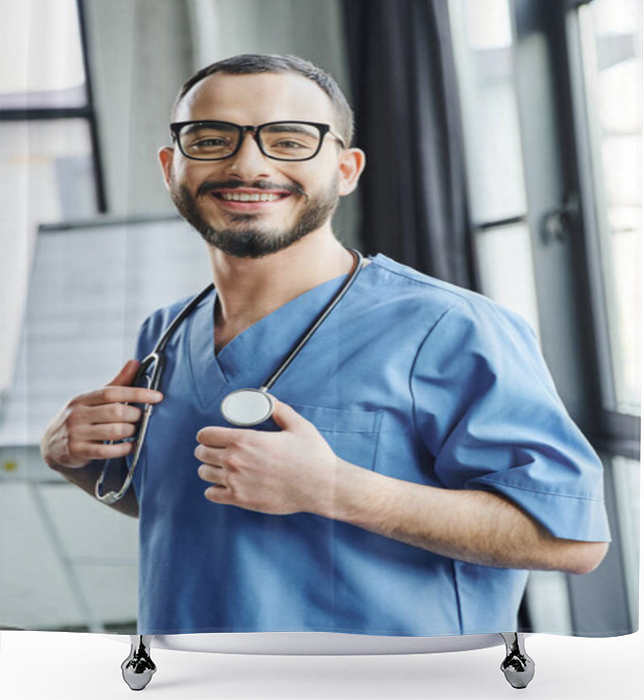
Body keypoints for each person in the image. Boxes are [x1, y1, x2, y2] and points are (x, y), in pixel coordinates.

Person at [40, 54, 611, 637]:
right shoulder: (165, 333)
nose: (248, 165)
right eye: (211, 139)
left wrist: (335, 488)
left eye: (288, 141)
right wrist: (74, 462)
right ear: (171, 167)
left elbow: (570, 538)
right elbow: (190, 511)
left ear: (345, 169)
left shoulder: (449, 327)